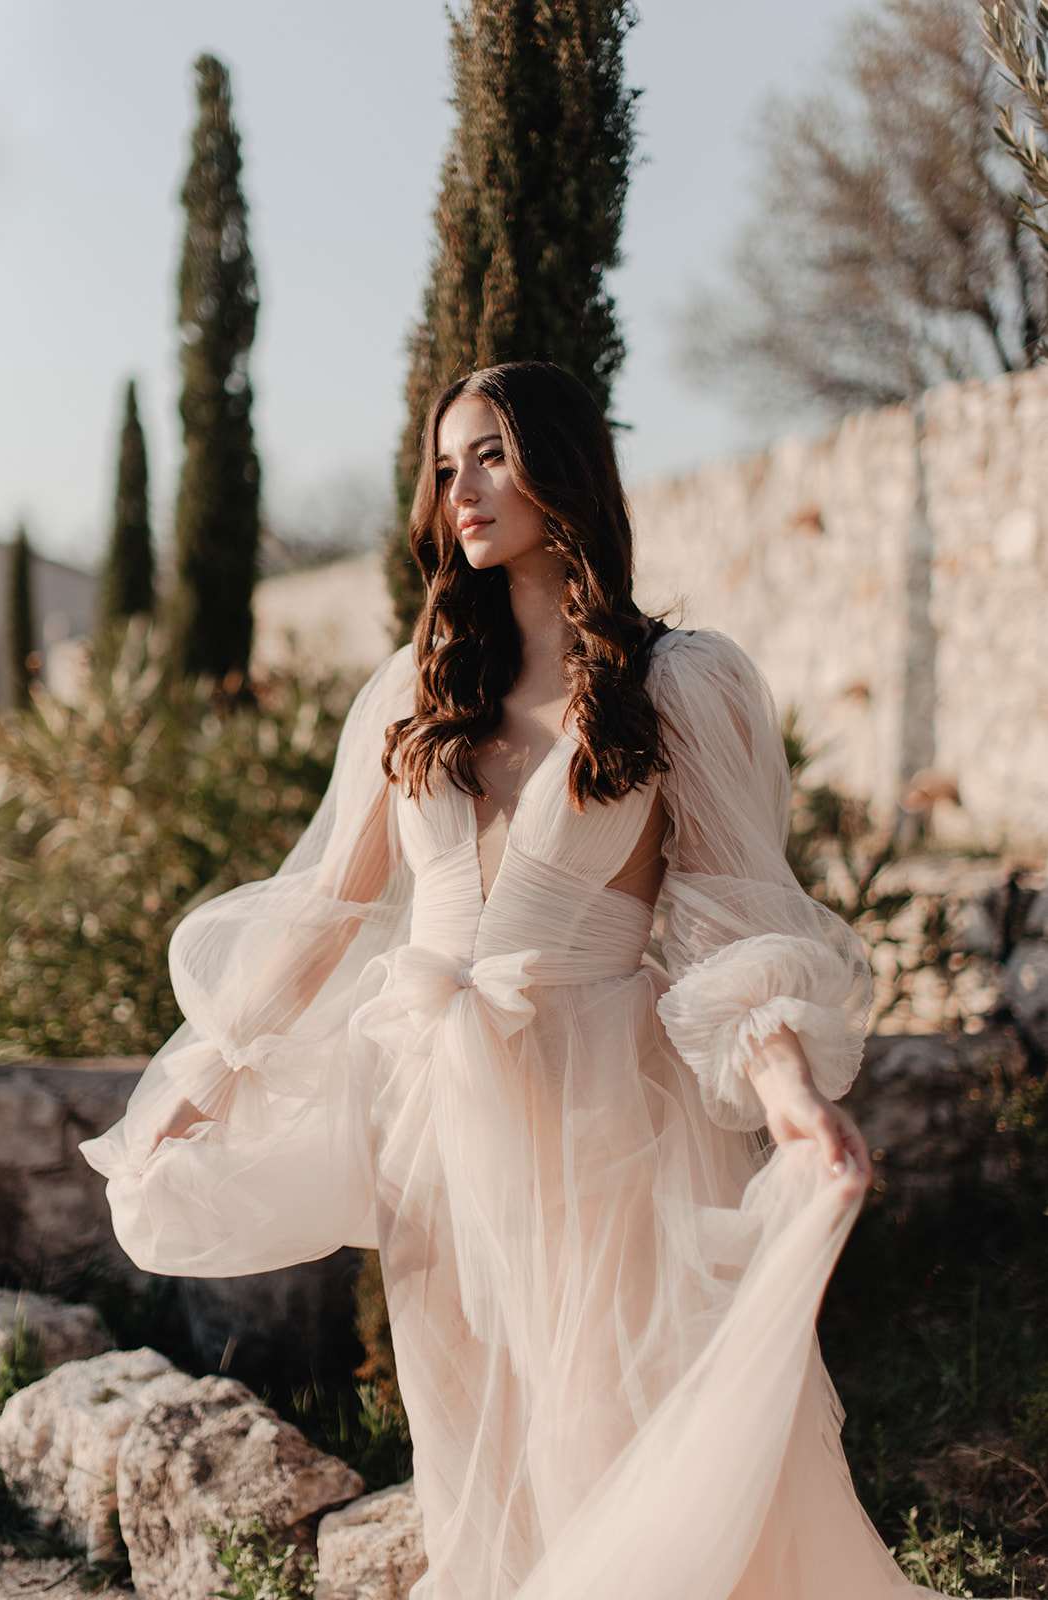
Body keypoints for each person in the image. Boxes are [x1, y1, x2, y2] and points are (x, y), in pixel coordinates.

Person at [78, 360, 979, 1599]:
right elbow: (332, 909)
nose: (460, 488)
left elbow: (726, 925)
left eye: (490, 453)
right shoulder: (419, 689)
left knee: (615, 1426)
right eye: (444, 465)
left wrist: (791, 1105)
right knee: (471, 1458)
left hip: (607, 1115)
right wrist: (207, 1070)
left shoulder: (677, 683)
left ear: (563, 467)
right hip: (432, 1128)